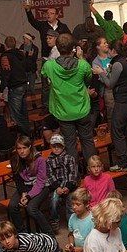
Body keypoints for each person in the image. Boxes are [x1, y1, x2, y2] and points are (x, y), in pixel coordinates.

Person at [42, 33, 97, 162]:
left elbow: (45, 77)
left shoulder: (49, 66)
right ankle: (93, 169)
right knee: (87, 141)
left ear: (57, 47)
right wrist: (81, 57)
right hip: (82, 108)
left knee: (70, 143)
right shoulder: (82, 65)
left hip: (63, 111)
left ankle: (73, 172)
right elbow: (88, 79)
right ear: (73, 48)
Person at [94, 40, 127, 172]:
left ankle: (123, 162)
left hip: (123, 101)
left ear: (114, 50)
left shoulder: (118, 64)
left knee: (116, 131)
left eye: (109, 49)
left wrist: (100, 72)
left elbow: (110, 84)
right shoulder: (126, 60)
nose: (107, 51)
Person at [8, 135, 52, 235]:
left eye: (24, 148)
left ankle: (49, 234)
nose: (22, 151)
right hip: (25, 186)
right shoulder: (15, 159)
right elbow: (18, 180)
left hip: (41, 186)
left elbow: (40, 182)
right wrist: (23, 193)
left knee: (31, 208)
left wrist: (28, 196)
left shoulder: (39, 159)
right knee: (12, 206)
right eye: (19, 148)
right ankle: (23, 234)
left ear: (30, 147)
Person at [59, 187, 94, 252]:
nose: (74, 207)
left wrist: (82, 249)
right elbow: (71, 233)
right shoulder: (72, 217)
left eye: (78, 204)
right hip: (75, 251)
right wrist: (71, 244)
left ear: (87, 205)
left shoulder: (92, 220)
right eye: (73, 204)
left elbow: (95, 242)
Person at [0, 36, 31, 136]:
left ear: (5, 45)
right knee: (23, 112)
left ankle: (25, 135)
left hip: (15, 86)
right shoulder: (21, 54)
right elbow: (27, 67)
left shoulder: (5, 56)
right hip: (23, 84)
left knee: (16, 114)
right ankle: (28, 133)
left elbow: (6, 73)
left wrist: (1, 89)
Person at [46, 134, 78, 231]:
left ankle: (72, 222)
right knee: (53, 200)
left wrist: (68, 186)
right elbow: (50, 175)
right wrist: (57, 187)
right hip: (57, 187)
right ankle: (54, 220)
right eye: (54, 146)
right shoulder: (49, 161)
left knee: (70, 202)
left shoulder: (70, 158)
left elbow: (73, 173)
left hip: (69, 185)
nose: (56, 148)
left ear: (63, 146)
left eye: (59, 146)